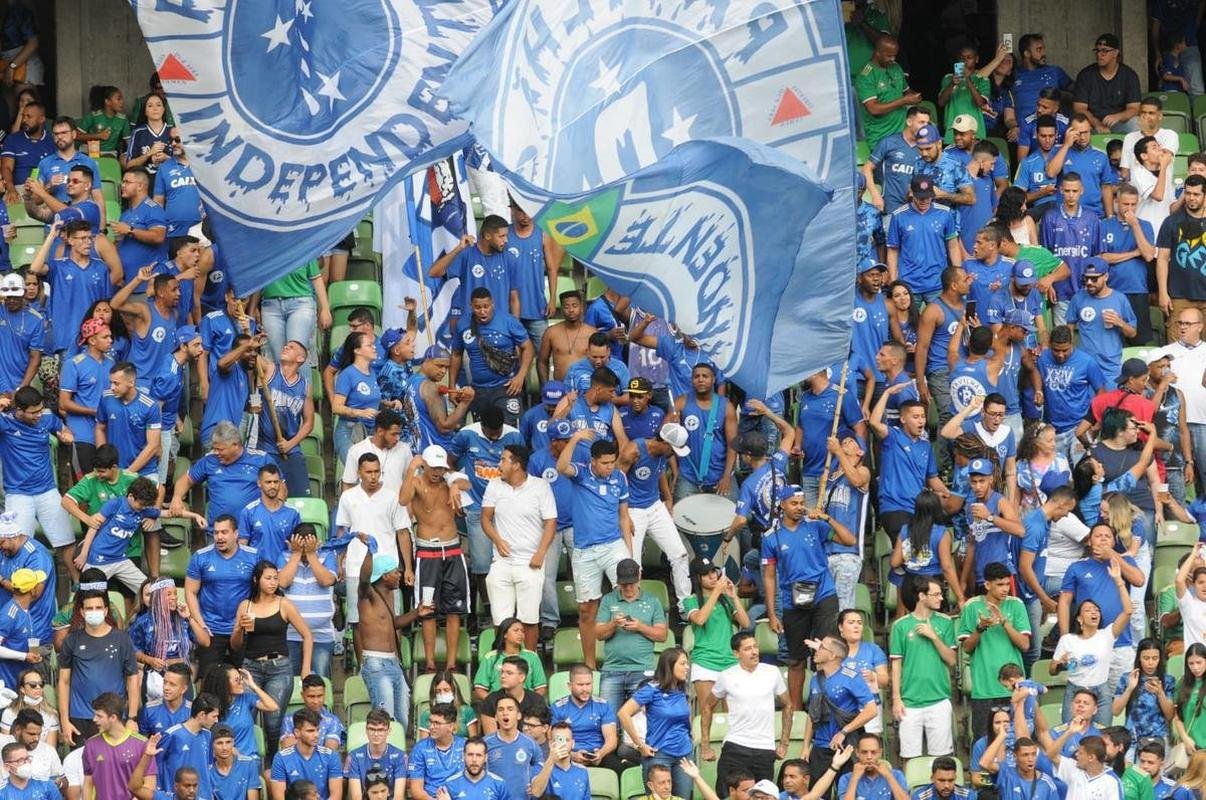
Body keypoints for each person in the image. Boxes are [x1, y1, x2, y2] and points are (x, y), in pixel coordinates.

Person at [762, 484, 855, 709]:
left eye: (802, 503)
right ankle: (795, 711)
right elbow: (769, 577)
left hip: (824, 594)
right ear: (781, 505)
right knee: (795, 660)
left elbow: (849, 540)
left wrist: (827, 518)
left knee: (825, 652)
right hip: (793, 600)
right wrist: (773, 613)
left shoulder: (816, 526)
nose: (799, 508)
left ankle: (826, 706)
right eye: (794, 503)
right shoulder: (771, 537)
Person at [557, 431, 633, 670]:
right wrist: (576, 437)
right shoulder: (581, 473)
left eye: (612, 462)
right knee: (587, 609)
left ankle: (623, 661)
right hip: (584, 551)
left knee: (627, 596)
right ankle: (590, 665)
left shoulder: (620, 478)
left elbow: (624, 515)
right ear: (593, 461)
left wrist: (629, 556)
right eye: (604, 463)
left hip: (613, 546)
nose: (609, 467)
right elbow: (561, 467)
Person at [230, 560, 311, 759]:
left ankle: (273, 763)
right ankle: (246, 759)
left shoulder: (284, 604)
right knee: (245, 717)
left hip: (279, 667)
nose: (273, 582)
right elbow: (235, 644)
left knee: (273, 721)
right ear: (257, 580)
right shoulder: (245, 605)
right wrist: (240, 627)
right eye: (268, 578)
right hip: (251, 667)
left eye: (276, 578)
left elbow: (307, 635)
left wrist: (305, 668)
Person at [481, 444, 556, 643]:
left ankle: (529, 665)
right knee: (501, 620)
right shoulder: (494, 485)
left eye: (503, 459)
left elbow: (550, 523)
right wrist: (497, 539)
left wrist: (540, 553)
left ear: (516, 464)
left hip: (530, 562)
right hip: (502, 562)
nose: (499, 464)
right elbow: (485, 519)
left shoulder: (541, 486)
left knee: (529, 621)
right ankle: (503, 665)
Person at [355, 542, 430, 732]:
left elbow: (393, 623)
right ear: (385, 575)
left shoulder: (389, 595)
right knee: (385, 719)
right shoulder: (368, 594)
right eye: (396, 572)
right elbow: (364, 578)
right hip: (376, 663)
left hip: (393, 663)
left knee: (402, 721)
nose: (399, 575)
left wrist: (416, 613)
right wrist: (369, 553)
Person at [619, 424, 694, 606]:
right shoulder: (633, 451)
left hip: (655, 506)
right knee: (632, 563)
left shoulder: (664, 454)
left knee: (680, 555)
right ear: (665, 443)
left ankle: (685, 605)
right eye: (674, 449)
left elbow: (658, 472)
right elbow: (616, 482)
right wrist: (623, 515)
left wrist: (667, 497)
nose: (674, 454)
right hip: (632, 509)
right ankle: (632, 605)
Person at [706, 631, 791, 790]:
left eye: (755, 647)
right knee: (725, 794)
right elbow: (707, 705)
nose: (754, 652)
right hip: (735, 745)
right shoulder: (726, 676)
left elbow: (788, 704)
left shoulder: (772, 672)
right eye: (747, 649)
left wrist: (784, 743)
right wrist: (705, 744)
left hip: (765, 748)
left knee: (761, 796)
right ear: (736, 653)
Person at [1053, 561, 1133, 725]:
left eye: (1096, 610)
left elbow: (1128, 611)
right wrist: (1060, 664)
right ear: (1079, 618)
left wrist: (1119, 581)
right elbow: (1052, 670)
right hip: (1075, 691)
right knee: (1071, 734)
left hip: (1101, 692)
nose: (1094, 612)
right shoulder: (1068, 640)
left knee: (1101, 736)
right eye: (1088, 610)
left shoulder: (1107, 635)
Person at [56, 588, 138, 747]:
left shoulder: (122, 639)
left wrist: (132, 718)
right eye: (89, 608)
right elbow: (64, 682)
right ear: (82, 611)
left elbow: (132, 678)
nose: (94, 612)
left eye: (99, 608)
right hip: (80, 718)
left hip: (114, 717)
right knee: (82, 768)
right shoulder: (71, 641)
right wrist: (64, 720)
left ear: (106, 610)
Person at [959, 561, 1032, 736]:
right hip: (984, 689)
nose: (1005, 589)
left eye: (1007, 584)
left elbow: (1025, 644)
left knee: (1016, 740)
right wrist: (980, 628)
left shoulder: (1016, 605)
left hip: (1013, 688)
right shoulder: (972, 606)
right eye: (1000, 584)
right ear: (987, 584)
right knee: (983, 742)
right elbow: (967, 648)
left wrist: (1004, 622)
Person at [890, 574, 957, 758]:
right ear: (921, 596)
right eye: (936, 594)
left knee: (942, 758)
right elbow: (896, 665)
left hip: (939, 699)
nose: (941, 598)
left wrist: (934, 636)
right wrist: (896, 699)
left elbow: (952, 660)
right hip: (909, 702)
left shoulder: (945, 622)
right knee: (909, 758)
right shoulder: (900, 626)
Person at [184, 515, 260, 672]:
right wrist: (201, 624)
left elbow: (262, 590)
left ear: (236, 533)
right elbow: (190, 592)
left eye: (224, 532)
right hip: (211, 628)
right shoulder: (201, 556)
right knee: (208, 679)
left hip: (242, 628)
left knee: (244, 678)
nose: (219, 537)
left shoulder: (253, 556)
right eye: (216, 533)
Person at [618, 648, 694, 800]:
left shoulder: (682, 689)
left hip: (684, 755)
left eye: (687, 663)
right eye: (683, 663)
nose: (687, 667)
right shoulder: (651, 689)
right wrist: (640, 745)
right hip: (659, 754)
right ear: (669, 665)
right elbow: (623, 713)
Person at [801, 635, 877, 785]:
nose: (816, 650)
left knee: (847, 791)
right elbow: (812, 715)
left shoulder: (851, 677)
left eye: (821, 647)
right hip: (820, 747)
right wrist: (805, 747)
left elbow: (871, 710)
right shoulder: (815, 678)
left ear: (832, 655)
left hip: (846, 746)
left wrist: (844, 731)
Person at [171, 420, 272, 525]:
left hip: (253, 528)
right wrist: (176, 497)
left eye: (220, 450)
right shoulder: (210, 460)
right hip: (218, 531)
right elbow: (186, 479)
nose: (216, 453)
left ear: (235, 445)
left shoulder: (261, 459)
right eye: (215, 449)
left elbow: (280, 487)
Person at [598, 558, 667, 712]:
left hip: (642, 670)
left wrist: (640, 627)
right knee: (608, 722)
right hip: (612, 670)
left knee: (641, 725)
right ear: (617, 581)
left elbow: (662, 635)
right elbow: (599, 634)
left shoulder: (652, 601)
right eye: (624, 584)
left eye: (632, 583)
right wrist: (613, 624)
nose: (628, 587)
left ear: (639, 577)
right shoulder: (608, 600)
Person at [793, 367, 865, 509]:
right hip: (809, 470)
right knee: (811, 521)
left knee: (831, 521)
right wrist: (797, 446)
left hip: (833, 473)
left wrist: (858, 461)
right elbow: (801, 426)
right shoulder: (805, 397)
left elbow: (860, 429)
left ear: (814, 373)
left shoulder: (842, 396)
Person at [886, 177, 962, 303]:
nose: (924, 201)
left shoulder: (945, 213)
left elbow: (953, 245)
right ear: (912, 194)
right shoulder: (898, 216)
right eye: (920, 197)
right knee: (908, 323)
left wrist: (958, 275)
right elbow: (893, 250)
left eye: (928, 197)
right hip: (907, 285)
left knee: (940, 321)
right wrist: (894, 281)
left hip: (938, 283)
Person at [276, 526, 339, 678]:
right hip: (291, 635)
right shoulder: (284, 557)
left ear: (317, 542)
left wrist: (311, 555)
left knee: (319, 681)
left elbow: (326, 580)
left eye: (308, 546)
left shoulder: (327, 556)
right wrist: (296, 554)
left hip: (322, 636)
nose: (304, 552)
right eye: (300, 547)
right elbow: (282, 582)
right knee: (293, 683)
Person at [854, 35, 922, 151]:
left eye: (895, 55)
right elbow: (873, 109)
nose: (893, 59)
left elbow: (906, 91)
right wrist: (903, 101)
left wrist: (914, 96)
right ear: (877, 52)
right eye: (889, 56)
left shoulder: (895, 67)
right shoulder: (865, 75)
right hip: (881, 137)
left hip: (904, 134)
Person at [82, 693, 155, 800]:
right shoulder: (90, 745)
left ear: (113, 717)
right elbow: (88, 784)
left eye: (99, 716)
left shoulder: (142, 744)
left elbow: (149, 783)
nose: (94, 719)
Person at [861, 105, 930, 215]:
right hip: (891, 209)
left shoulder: (926, 148)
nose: (925, 127)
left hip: (917, 210)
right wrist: (875, 195)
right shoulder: (888, 143)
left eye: (927, 123)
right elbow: (866, 168)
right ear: (909, 122)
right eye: (921, 122)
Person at [1156, 176, 1206, 319]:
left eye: (1196, 194)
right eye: (1188, 193)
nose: (1191, 198)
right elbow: (1162, 259)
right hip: (1178, 297)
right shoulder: (1171, 222)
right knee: (1177, 342)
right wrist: (1163, 293)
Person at [1111, 638, 1176, 747]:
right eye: (1146, 658)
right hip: (1132, 737)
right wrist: (1130, 688)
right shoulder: (1127, 678)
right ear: (1139, 658)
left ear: (1160, 659)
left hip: (1158, 738)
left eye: (1155, 658)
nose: (1150, 663)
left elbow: (1170, 715)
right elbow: (1115, 711)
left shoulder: (1168, 680)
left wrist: (1160, 693)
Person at [1073, 35, 1142, 134]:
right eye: (1097, 50)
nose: (1099, 54)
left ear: (1115, 53)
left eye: (1104, 50)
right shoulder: (1086, 75)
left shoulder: (1129, 75)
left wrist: (1118, 116)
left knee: (1136, 123)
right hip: (1091, 123)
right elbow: (1079, 108)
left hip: (1118, 123)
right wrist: (1096, 123)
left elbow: (1135, 108)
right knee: (1075, 124)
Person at [269, 709, 343, 800]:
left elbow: (336, 796)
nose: (316, 735)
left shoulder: (331, 756)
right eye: (310, 731)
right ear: (297, 732)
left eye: (318, 730)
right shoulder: (281, 758)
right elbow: (279, 798)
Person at [473, 618, 548, 700]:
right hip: (498, 707)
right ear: (505, 634)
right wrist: (494, 704)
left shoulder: (532, 657)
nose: (520, 634)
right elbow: (479, 689)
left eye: (522, 631)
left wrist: (530, 703)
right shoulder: (490, 658)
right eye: (516, 630)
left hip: (527, 706)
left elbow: (541, 688)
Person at [483, 696, 542, 800]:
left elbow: (540, 764)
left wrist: (535, 779)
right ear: (496, 716)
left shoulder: (530, 743)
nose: (505, 713)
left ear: (519, 715)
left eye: (510, 709)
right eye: (501, 710)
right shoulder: (485, 743)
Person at [407, 703, 467, 800]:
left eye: (437, 723)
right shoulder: (420, 748)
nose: (431, 727)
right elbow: (416, 790)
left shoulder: (465, 746)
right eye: (430, 722)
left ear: (451, 726)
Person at [1044, 730, 1124, 800]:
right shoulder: (1073, 768)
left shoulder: (1112, 781)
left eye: (1080, 753)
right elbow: (1051, 755)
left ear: (1091, 758)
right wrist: (1069, 732)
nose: (1076, 755)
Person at [345, 709, 406, 800]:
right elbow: (356, 797)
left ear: (388, 731)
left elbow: (398, 797)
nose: (376, 734)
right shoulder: (354, 756)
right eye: (372, 729)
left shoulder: (400, 756)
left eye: (381, 730)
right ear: (366, 730)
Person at [278, 674, 342, 752]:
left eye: (320, 696)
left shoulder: (333, 721)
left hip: (323, 764)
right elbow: (288, 748)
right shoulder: (289, 719)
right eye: (311, 696)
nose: (316, 701)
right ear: (302, 695)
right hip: (296, 764)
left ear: (325, 695)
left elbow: (330, 751)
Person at [836, 733, 909, 800]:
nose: (869, 757)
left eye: (873, 752)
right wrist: (854, 779)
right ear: (857, 753)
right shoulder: (846, 779)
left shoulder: (896, 775)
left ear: (880, 753)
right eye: (864, 752)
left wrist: (889, 776)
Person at [529, 722, 591, 800]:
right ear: (550, 743)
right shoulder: (540, 767)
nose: (563, 744)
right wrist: (551, 760)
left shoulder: (582, 771)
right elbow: (535, 793)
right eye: (559, 740)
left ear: (573, 743)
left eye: (567, 740)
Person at [419, 670, 479, 739]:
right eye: (438, 691)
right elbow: (423, 744)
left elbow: (474, 741)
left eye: (446, 690)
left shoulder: (466, 711)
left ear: (454, 691)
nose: (442, 694)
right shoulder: (427, 714)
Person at [208, 724, 260, 800]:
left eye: (228, 742)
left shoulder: (249, 764)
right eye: (219, 743)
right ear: (212, 745)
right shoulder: (207, 770)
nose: (224, 748)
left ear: (233, 743)